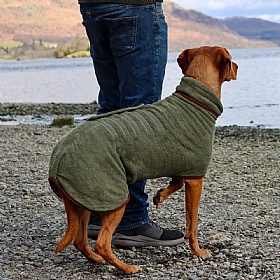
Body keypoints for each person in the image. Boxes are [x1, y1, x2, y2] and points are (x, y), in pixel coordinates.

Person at [78, 0, 184, 247]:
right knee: (140, 117)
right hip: (135, 7)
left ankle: (99, 211)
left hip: (94, 8)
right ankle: (131, 218)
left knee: (111, 113)